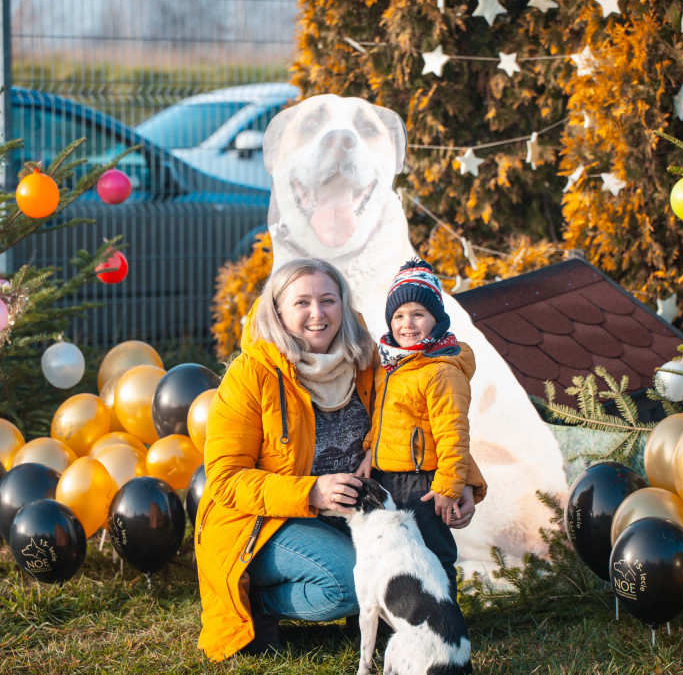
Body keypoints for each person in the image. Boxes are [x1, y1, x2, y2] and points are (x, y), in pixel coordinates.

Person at [195, 258, 485, 662]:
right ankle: (257, 603)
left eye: (328, 300)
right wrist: (311, 490)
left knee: (384, 578)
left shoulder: (367, 359)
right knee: (349, 587)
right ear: (278, 311)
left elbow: (427, 418)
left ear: (343, 305)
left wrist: (465, 481)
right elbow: (225, 480)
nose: (318, 313)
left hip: (349, 511)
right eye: (302, 303)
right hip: (261, 523)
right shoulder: (250, 375)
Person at [360, 258, 474, 598]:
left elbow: (454, 434)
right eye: (398, 316)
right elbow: (380, 416)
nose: (407, 324)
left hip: (423, 481)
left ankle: (445, 620)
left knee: (432, 553)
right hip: (387, 477)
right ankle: (405, 618)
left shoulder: (441, 371)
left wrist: (449, 485)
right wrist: (369, 449)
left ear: (436, 319)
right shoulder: (391, 365)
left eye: (418, 314)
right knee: (394, 554)